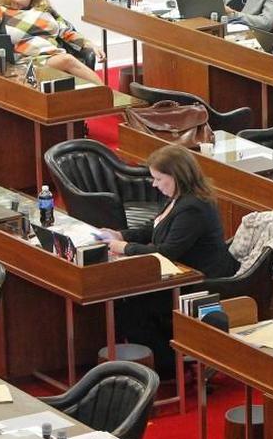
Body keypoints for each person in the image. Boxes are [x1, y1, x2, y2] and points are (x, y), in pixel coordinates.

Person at [99, 145, 238, 372]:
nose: (154, 184)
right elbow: (153, 228)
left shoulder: (194, 207)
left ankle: (167, 368)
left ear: (176, 176)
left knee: (131, 309)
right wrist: (120, 234)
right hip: (178, 275)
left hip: (200, 282)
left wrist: (123, 247)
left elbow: (167, 251)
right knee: (128, 302)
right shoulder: (177, 198)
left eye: (158, 178)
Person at [0, 0, 106, 84]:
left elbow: (67, 32)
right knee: (67, 60)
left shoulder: (45, 10)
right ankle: (109, 95)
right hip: (25, 62)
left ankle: (106, 96)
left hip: (53, 56)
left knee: (66, 59)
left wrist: (90, 44)